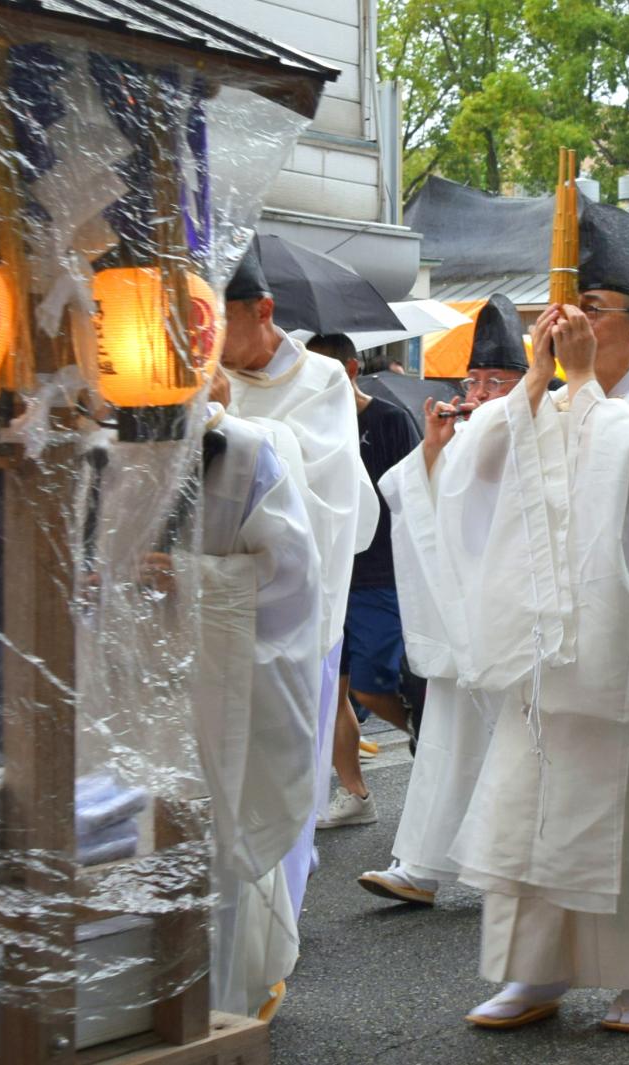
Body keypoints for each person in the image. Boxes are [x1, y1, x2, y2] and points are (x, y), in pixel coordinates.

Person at [432, 203, 629, 1032]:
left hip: (622, 647)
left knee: (626, 823)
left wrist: (583, 385)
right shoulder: (551, 400)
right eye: (566, 309)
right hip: (542, 650)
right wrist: (533, 382)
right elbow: (476, 468)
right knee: (529, 813)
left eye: (592, 310)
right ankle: (533, 973)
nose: (572, 326)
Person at [221, 242, 377, 918]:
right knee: (221, 775)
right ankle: (227, 918)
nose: (209, 339)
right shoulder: (204, 372)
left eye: (221, 321)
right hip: (216, 600)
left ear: (264, 311)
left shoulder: (322, 380)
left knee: (284, 769)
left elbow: (327, 499)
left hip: (294, 613)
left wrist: (227, 424)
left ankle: (275, 925)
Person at [358, 295, 526, 906]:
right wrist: (432, 449)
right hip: (460, 617)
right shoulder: (457, 434)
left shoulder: (542, 430)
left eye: (496, 381)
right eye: (474, 379)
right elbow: (400, 493)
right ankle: (421, 865)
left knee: (516, 748)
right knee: (446, 741)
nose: (480, 392)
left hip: (518, 616)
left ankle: (508, 866)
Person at [193, 397, 324, 1019]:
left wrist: (186, 580)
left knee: (215, 837)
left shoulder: (240, 452)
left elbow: (291, 577)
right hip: (117, 681)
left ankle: (214, 1011)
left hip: (219, 682)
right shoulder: (81, 439)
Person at [303, 334, 422, 830]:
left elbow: (416, 491)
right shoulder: (309, 427)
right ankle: (355, 794)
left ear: (351, 369)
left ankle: (433, 737)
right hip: (331, 576)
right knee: (332, 693)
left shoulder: (389, 421)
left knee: (373, 688)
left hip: (381, 575)